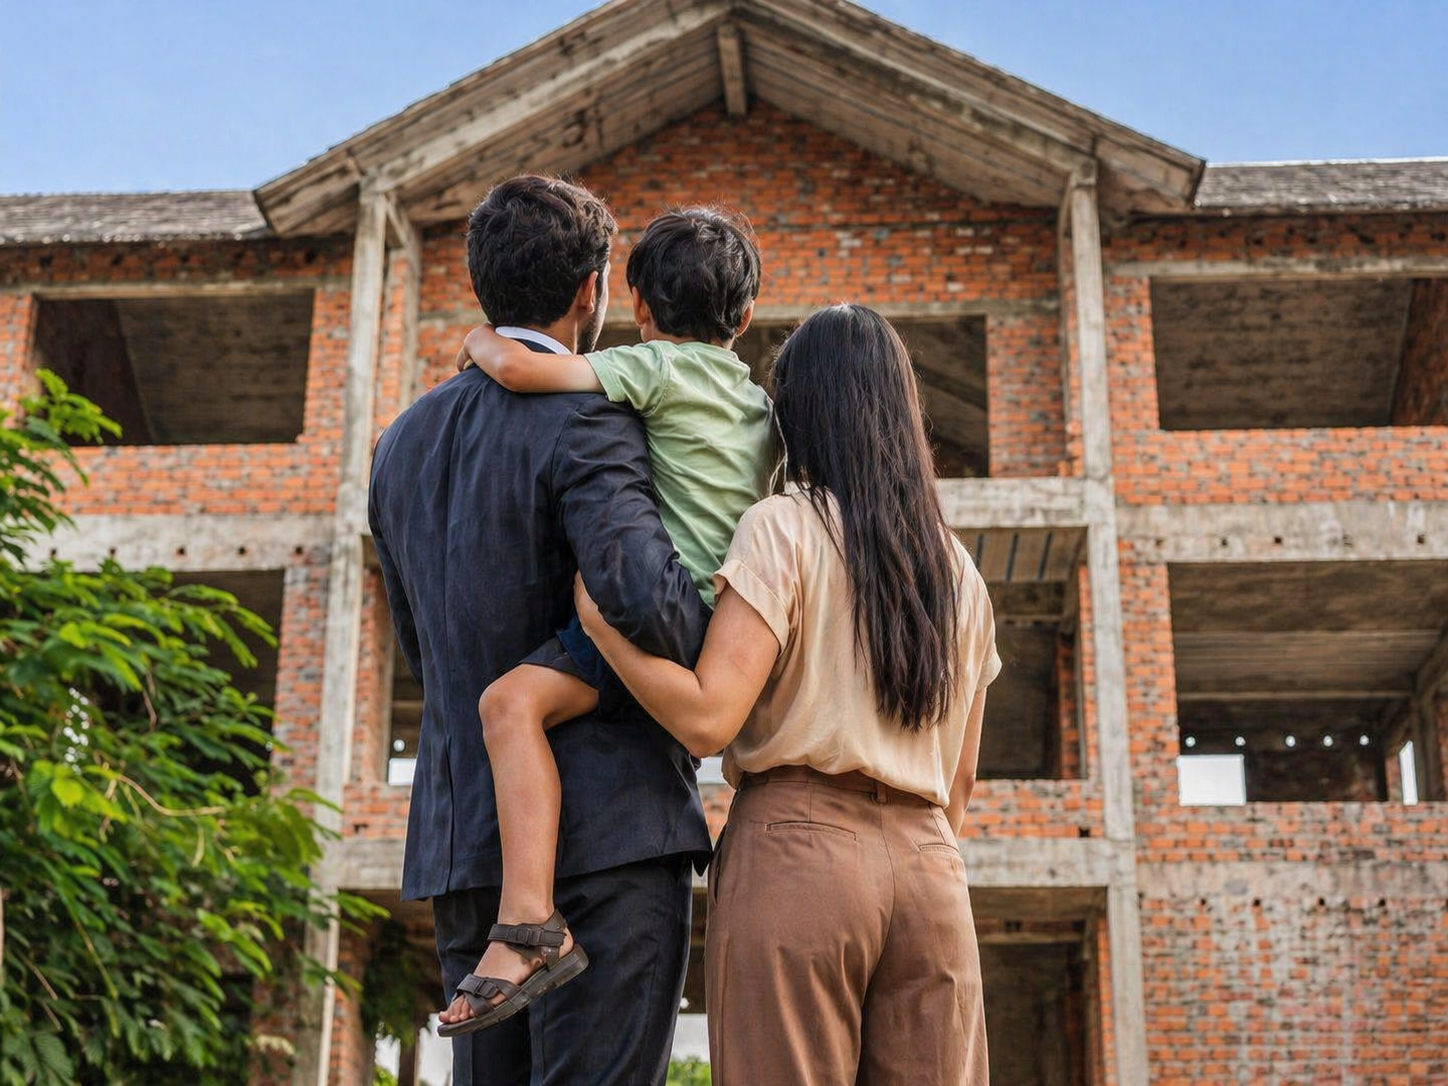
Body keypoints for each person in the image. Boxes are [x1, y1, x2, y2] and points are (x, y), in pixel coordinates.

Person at [575, 304, 1002, 1086]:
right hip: (933, 873)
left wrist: (603, 629)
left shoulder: (785, 527)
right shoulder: (959, 571)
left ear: (797, 412)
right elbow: (963, 778)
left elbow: (707, 718)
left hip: (798, 852)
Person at [367, 174, 713, 1086]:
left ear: (484, 283)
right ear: (591, 290)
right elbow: (647, 604)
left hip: (466, 846)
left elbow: (421, 645)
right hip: (609, 846)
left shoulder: (398, 445)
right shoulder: (595, 413)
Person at [438, 206, 776, 1034]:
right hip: (722, 623)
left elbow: (525, 376)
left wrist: (481, 343)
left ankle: (529, 921)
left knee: (507, 704)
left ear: (637, 307)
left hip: (652, 610)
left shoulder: (653, 367)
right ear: (747, 316)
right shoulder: (762, 406)